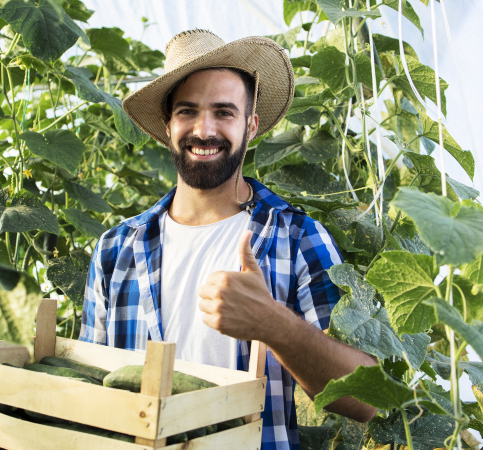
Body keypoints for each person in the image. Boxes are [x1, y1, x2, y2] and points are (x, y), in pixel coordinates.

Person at [80, 29, 377, 449]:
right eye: (187, 111)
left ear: (251, 125)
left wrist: (275, 326)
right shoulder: (116, 249)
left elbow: (364, 400)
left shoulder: (298, 238)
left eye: (224, 112)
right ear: (168, 126)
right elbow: (92, 388)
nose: (204, 129)